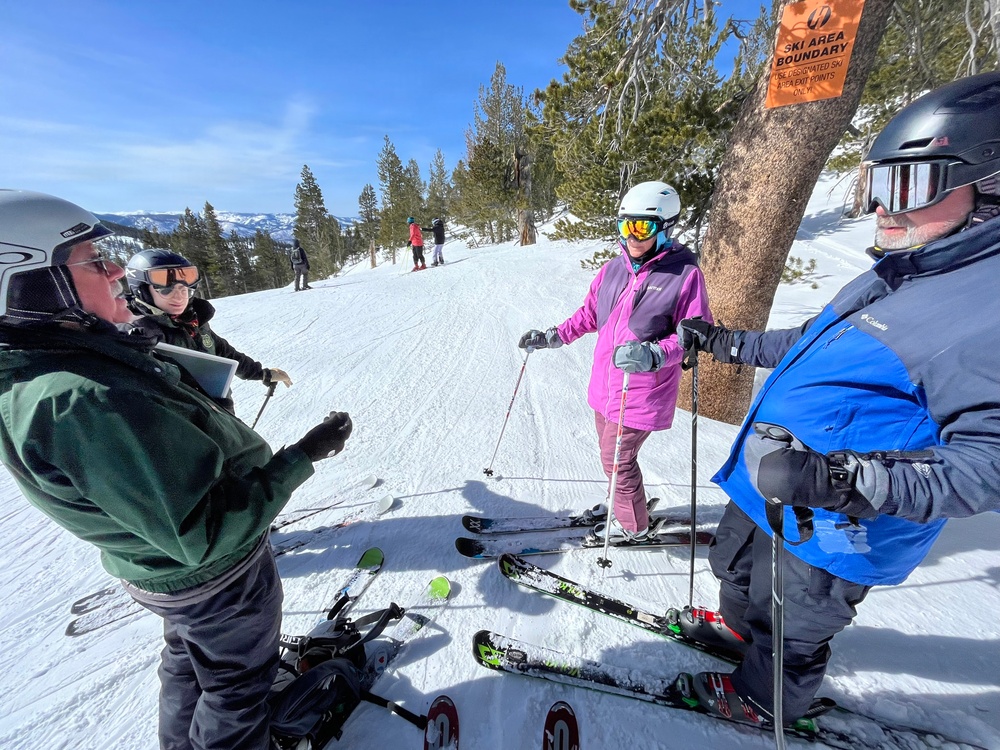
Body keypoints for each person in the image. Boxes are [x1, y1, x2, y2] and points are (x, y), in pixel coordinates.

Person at [675, 71, 1000, 729]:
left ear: (990, 189)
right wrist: (727, 344)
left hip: (835, 523)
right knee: (734, 571)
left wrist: (850, 480)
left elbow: (986, 465)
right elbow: (812, 342)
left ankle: (765, 700)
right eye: (876, 185)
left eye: (907, 184)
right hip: (770, 481)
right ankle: (740, 635)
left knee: (790, 622)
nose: (883, 208)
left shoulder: (987, 309)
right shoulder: (903, 267)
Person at [0, 189, 355, 750]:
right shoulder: (82, 399)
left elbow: (216, 361)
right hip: (216, 579)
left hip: (171, 575)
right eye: (94, 260)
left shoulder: (67, 367)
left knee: (190, 664)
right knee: (237, 686)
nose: (114, 268)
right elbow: (204, 533)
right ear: (28, 282)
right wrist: (302, 456)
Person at [520, 181, 712, 541]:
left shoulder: (684, 276)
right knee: (613, 459)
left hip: (642, 391)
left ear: (666, 227)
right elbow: (589, 315)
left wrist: (655, 354)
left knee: (617, 460)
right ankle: (627, 503)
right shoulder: (612, 270)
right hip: (606, 387)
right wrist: (551, 337)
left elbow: (695, 337)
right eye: (625, 225)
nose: (632, 236)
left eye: (643, 227)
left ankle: (634, 527)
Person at [125, 248, 292, 414]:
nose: (179, 296)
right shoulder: (137, 335)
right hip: (187, 426)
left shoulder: (193, 320)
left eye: (185, 289)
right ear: (142, 290)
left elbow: (225, 353)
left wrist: (262, 374)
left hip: (218, 415)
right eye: (166, 290)